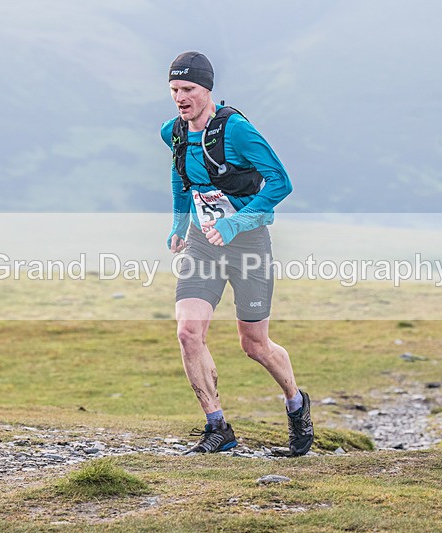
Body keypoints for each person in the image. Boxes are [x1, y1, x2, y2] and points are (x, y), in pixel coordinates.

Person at [160, 51, 313, 455]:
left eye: (188, 89)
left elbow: (281, 182)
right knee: (188, 333)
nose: (180, 98)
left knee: (254, 345)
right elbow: (181, 178)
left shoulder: (237, 131)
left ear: (207, 89)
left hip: (247, 245)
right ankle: (218, 427)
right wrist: (179, 224)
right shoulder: (173, 132)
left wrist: (235, 223)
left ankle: (296, 404)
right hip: (202, 244)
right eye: (174, 89)